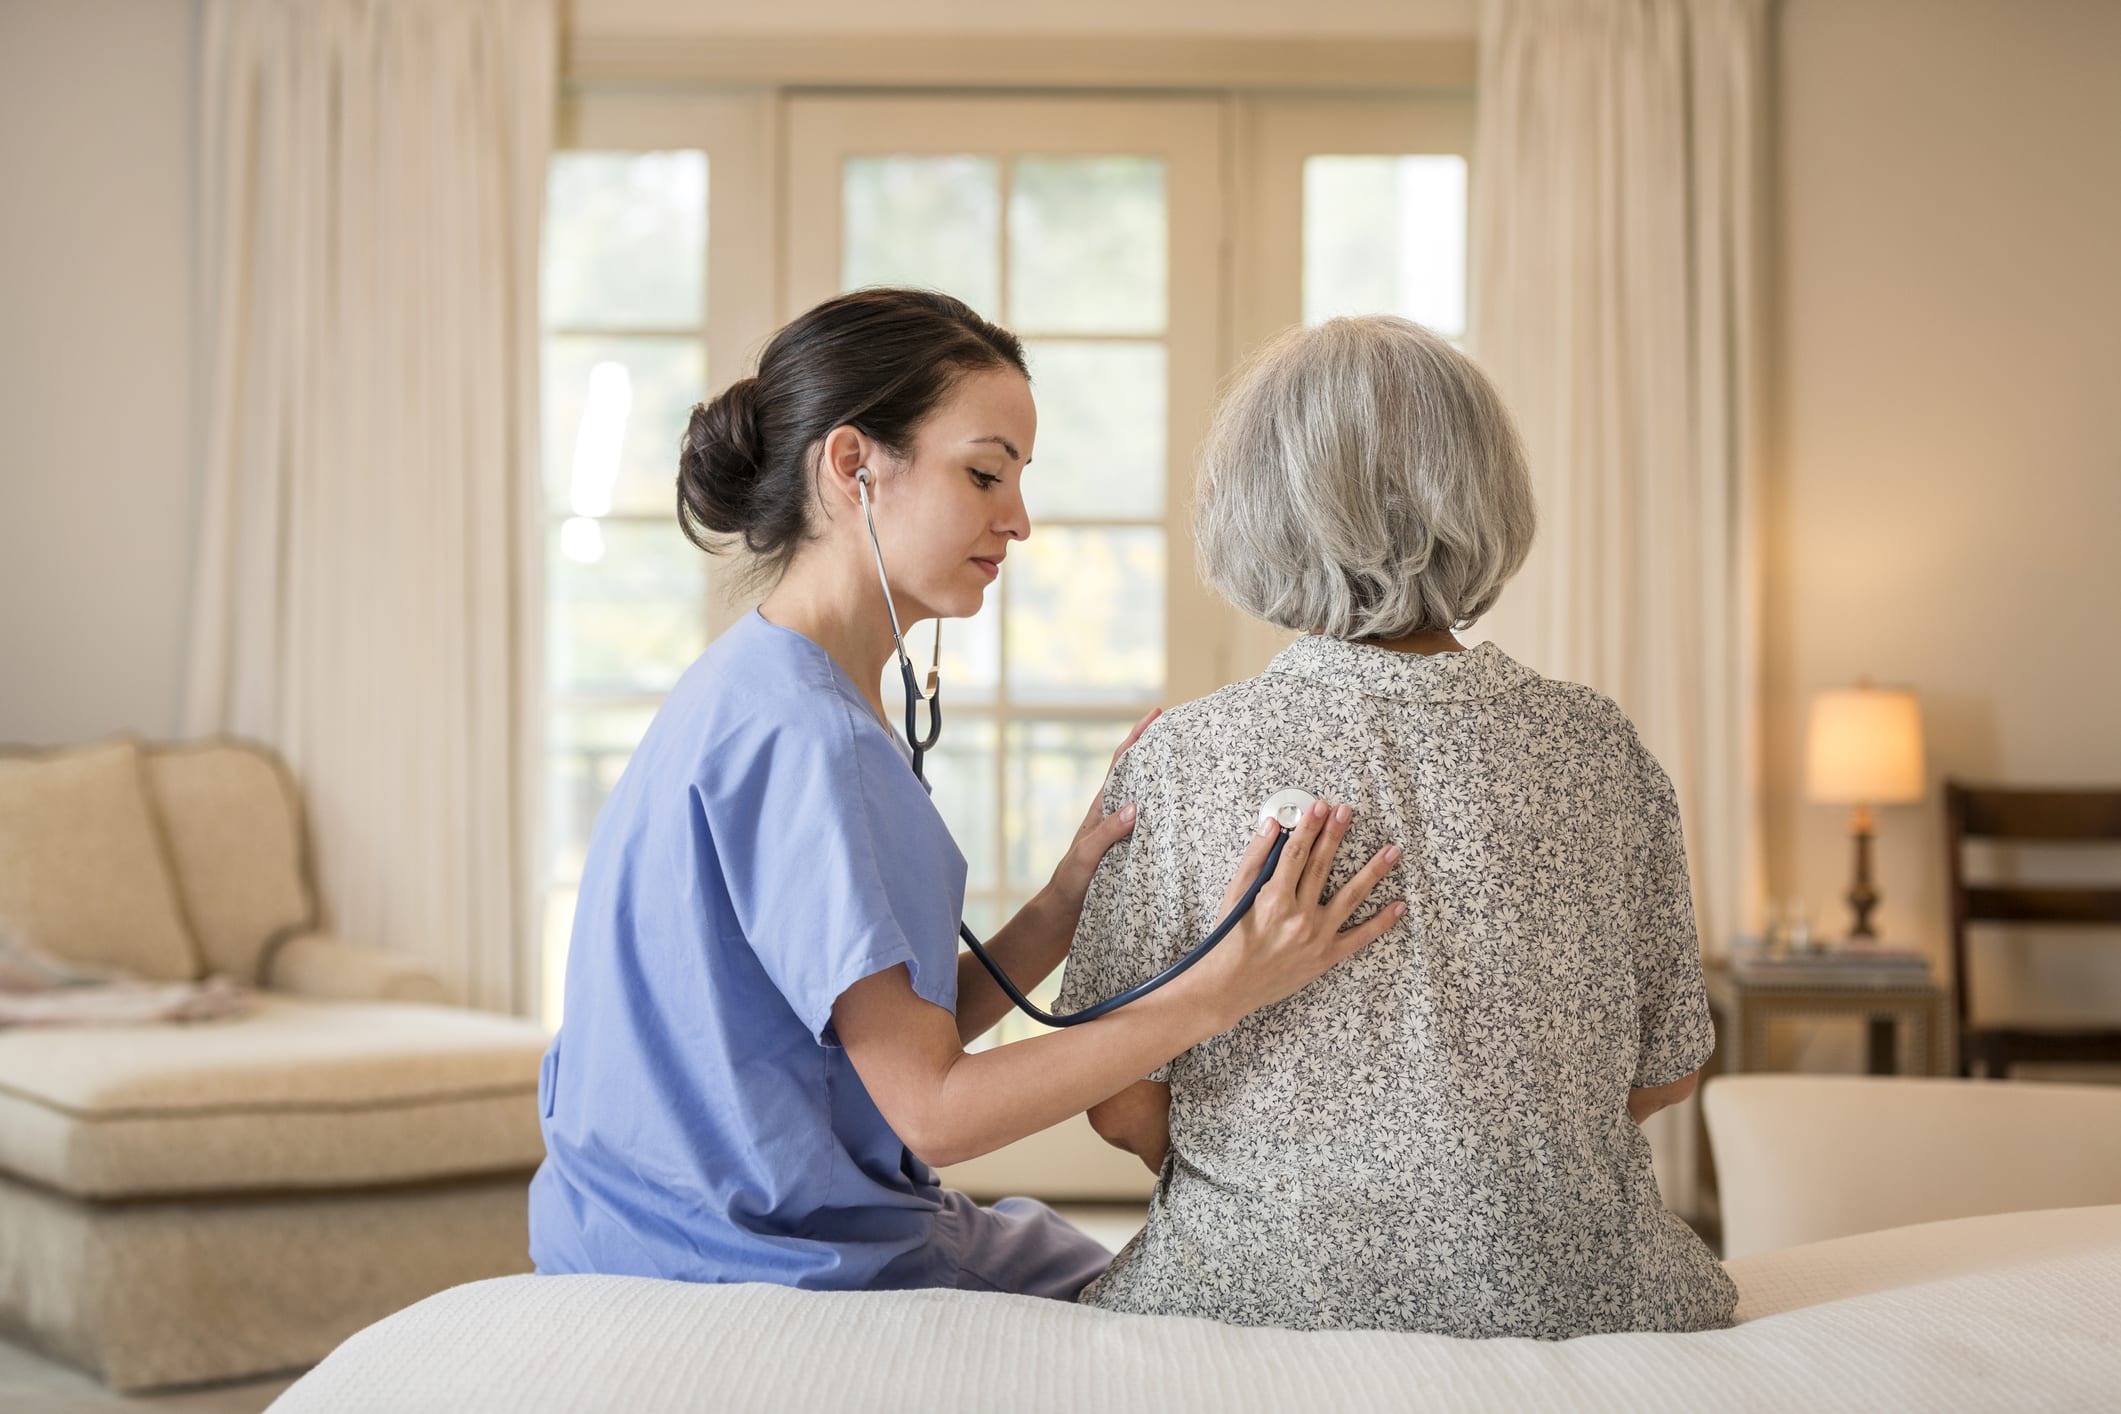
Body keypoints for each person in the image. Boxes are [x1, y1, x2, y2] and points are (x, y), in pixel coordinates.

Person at [527, 288, 1404, 1301]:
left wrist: (1061, 902)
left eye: (1020, 478)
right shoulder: (813, 739)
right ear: (853, 466)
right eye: (985, 472)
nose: (1019, 519)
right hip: (773, 1250)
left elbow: (870, 1034)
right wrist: (1220, 992)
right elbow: (934, 1109)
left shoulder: (757, 681)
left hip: (631, 1221)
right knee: (1180, 1310)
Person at [1058, 315, 1739, 1337]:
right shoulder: (1602, 747)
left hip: (1252, 1299)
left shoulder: (1181, 760)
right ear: (1489, 495)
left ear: (1255, 509)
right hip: (1588, 1303)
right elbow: (1670, 1068)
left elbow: (1117, 1103)